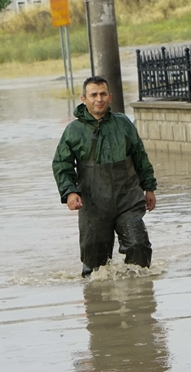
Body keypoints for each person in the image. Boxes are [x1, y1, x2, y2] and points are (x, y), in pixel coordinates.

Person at [52, 76, 157, 276]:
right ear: (84, 99)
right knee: (95, 269)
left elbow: (140, 156)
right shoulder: (73, 131)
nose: (99, 99)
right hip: (93, 204)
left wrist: (149, 188)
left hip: (127, 200)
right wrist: (70, 192)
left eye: (103, 94)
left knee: (138, 247)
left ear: (110, 97)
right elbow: (62, 164)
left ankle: (138, 291)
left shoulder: (123, 124)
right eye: (93, 95)